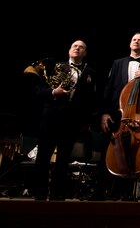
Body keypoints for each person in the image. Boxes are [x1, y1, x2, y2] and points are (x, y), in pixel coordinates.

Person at [93, 32, 140, 201]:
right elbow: (108, 89)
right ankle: (99, 191)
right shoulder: (118, 63)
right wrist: (104, 112)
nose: (137, 42)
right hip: (117, 114)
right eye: (134, 39)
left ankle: (125, 192)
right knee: (108, 153)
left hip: (139, 116)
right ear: (130, 43)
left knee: (131, 154)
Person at [31, 40, 98, 201]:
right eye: (75, 46)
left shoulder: (90, 72)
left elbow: (91, 100)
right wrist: (54, 91)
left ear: (85, 53)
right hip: (51, 117)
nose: (78, 48)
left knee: (63, 159)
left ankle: (57, 193)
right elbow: (38, 90)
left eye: (82, 47)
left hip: (72, 120)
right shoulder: (55, 66)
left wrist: (86, 121)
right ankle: (39, 193)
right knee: (43, 156)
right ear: (69, 50)